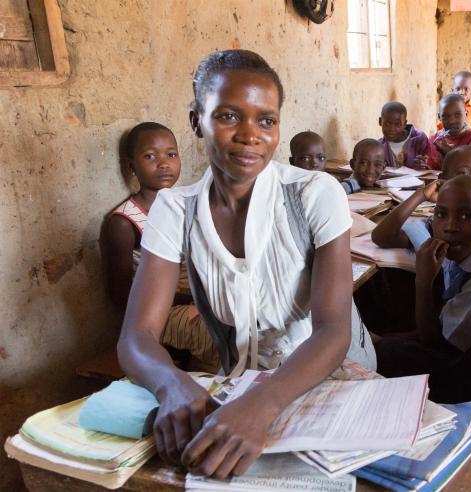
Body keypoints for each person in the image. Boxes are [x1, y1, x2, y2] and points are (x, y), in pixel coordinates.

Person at [117, 49, 371, 478]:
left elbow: (333, 331)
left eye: (266, 120)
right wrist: (172, 384)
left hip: (327, 371)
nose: (250, 135)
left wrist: (263, 404)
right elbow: (136, 336)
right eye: (229, 116)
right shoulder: (175, 209)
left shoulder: (313, 193)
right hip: (239, 382)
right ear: (197, 120)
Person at [375, 176, 471, 403]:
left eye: (466, 216)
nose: (450, 227)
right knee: (384, 338)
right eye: (441, 214)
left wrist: (423, 281)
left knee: (382, 357)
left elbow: (435, 343)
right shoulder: (467, 251)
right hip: (460, 345)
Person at [106, 122, 220, 372]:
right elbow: (120, 295)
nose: (164, 163)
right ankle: (211, 394)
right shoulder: (124, 223)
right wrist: (196, 299)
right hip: (156, 315)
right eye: (150, 156)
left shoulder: (186, 205)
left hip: (197, 298)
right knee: (220, 333)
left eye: (171, 154)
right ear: (130, 166)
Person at [371, 145, 471, 271]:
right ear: (442, 181)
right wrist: (421, 195)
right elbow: (382, 237)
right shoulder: (438, 225)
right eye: (463, 175)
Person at [427, 93, 471, 170]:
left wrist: (449, 154)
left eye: (457, 115)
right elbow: (430, 168)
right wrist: (423, 166)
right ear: (439, 117)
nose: (451, 121)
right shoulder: (433, 141)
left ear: (466, 114)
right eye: (445, 116)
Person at [378, 101, 430, 168]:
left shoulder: (419, 139)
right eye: (387, 124)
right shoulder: (379, 146)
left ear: (404, 124)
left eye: (397, 125)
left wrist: (423, 165)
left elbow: (430, 164)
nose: (392, 129)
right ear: (380, 121)